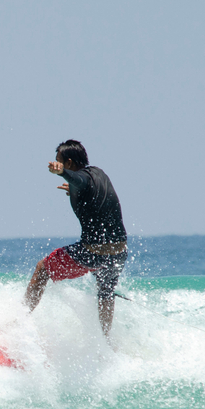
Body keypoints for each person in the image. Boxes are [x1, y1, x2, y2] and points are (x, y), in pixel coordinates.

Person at [24, 140, 128, 338]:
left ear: (69, 162)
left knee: (42, 269)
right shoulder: (99, 174)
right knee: (105, 294)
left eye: (59, 161)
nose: (57, 164)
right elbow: (89, 188)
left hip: (93, 253)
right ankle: (106, 341)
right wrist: (73, 189)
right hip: (119, 254)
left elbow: (78, 179)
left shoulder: (80, 179)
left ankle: (18, 322)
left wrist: (61, 172)